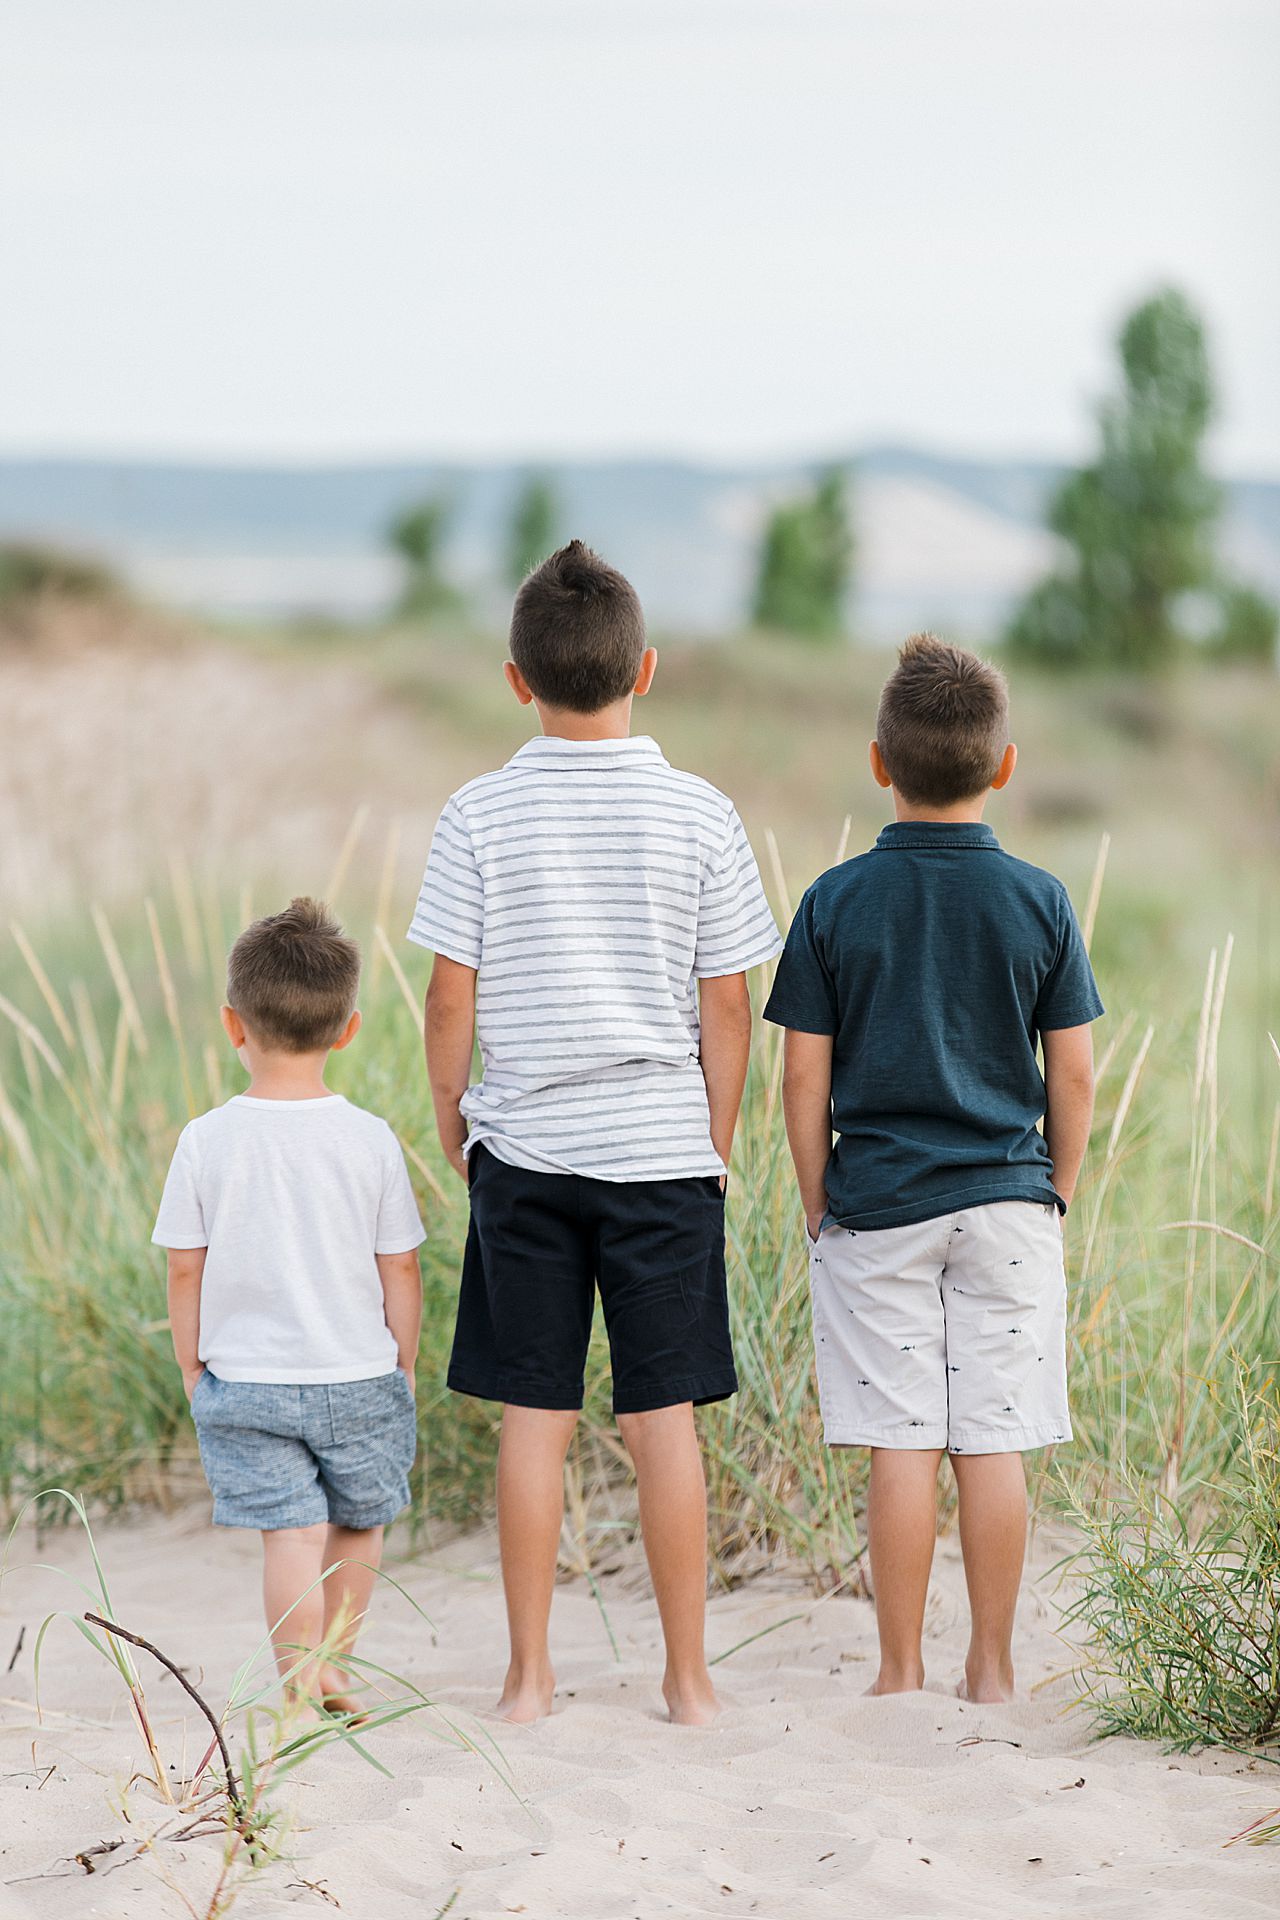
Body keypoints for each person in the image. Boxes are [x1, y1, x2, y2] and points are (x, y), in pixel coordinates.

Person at [410, 539, 781, 1725]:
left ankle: (526, 1678)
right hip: (663, 1154)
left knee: (537, 1417)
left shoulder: (476, 813)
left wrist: (452, 1116)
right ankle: (687, 1679)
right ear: (646, 669)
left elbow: (448, 993)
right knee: (659, 1417)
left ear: (516, 678)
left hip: (521, 1153)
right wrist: (708, 1130)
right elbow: (727, 998)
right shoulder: (701, 813)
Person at [765, 633, 1102, 1702]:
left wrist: (818, 1197)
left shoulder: (833, 901)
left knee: (899, 1443)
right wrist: (1056, 1188)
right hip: (1008, 1201)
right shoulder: (1040, 900)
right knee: (991, 1440)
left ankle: (897, 1670)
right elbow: (1075, 1075)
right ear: (1002, 766)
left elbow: (799, 1080)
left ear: (878, 762)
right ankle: (992, 1669)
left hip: (876, 1208)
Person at [154, 898, 425, 1717]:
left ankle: (300, 1681)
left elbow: (183, 1271)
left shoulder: (206, 1139)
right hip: (360, 1373)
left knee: (292, 1537)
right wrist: (403, 1362)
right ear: (348, 1030)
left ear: (233, 1025)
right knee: (360, 1523)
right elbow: (401, 1268)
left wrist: (193, 1365)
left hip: (249, 1381)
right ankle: (334, 1662)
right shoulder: (371, 1137)